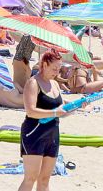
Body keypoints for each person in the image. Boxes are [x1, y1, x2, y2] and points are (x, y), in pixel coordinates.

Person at [18, 51, 71, 191]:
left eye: (59, 69)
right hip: (34, 133)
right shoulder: (33, 83)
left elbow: (62, 110)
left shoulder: (55, 84)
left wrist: (79, 106)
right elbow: (30, 110)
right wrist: (55, 112)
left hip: (52, 134)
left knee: (45, 179)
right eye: (54, 68)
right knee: (30, 178)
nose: (57, 72)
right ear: (45, 64)